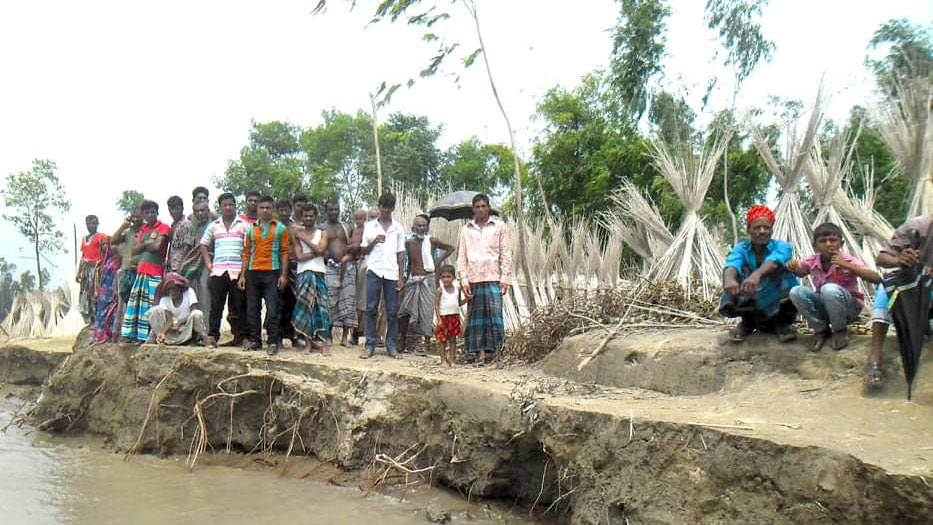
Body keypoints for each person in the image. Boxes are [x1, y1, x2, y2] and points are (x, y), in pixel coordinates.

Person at [787, 222, 881, 351]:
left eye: (833, 240)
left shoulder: (848, 260)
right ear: (815, 246)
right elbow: (800, 272)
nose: (828, 244)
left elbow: (876, 278)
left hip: (849, 309)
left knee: (829, 289)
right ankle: (821, 330)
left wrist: (847, 266)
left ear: (841, 244)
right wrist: (793, 267)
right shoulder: (812, 261)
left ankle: (840, 330)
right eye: (823, 241)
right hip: (826, 307)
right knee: (796, 291)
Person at [863, 214, 933, 385]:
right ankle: (875, 360)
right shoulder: (918, 226)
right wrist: (900, 260)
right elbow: (882, 258)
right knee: (884, 290)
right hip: (915, 286)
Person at [720, 205, 800, 343]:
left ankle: (782, 325)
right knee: (735, 277)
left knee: (786, 276)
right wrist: (729, 280)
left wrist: (757, 275)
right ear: (748, 230)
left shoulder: (783, 246)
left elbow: (774, 260)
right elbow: (732, 263)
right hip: (753, 299)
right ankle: (747, 323)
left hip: (776, 302)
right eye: (757, 227)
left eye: (766, 227)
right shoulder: (741, 247)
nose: (762, 231)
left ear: (771, 230)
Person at [457, 193, 511, 364]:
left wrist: (505, 278)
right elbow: (461, 257)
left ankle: (496, 352)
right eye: (477, 207)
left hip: (494, 277)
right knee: (477, 318)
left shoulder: (499, 226)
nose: (481, 210)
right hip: (474, 278)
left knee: (494, 316)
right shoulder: (466, 229)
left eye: (483, 206)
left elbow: (505, 253)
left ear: (488, 208)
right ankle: (480, 353)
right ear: (473, 209)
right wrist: (464, 280)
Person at [238, 195, 290, 354]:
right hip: (253, 272)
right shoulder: (250, 228)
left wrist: (283, 275)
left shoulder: (281, 228)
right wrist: (242, 275)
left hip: (272, 272)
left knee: (273, 308)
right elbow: (246, 253)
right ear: (258, 209)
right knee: (252, 309)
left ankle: (273, 341)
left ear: (272, 209)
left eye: (268, 207)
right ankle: (255, 340)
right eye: (262, 207)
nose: (265, 210)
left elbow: (285, 252)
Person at [200, 193, 249, 348]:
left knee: (238, 306)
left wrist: (243, 273)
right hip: (218, 271)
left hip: (236, 271)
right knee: (216, 306)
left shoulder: (244, 225)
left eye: (231, 204)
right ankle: (212, 336)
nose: (228, 207)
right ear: (220, 207)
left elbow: (248, 249)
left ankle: (240, 337)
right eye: (225, 205)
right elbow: (204, 245)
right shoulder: (214, 225)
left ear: (235, 206)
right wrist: (209, 264)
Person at [360, 193, 406, 358]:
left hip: (392, 272)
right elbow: (363, 250)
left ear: (393, 208)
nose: (386, 210)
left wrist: (401, 277)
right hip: (374, 270)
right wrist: (374, 241)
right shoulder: (370, 227)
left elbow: (401, 253)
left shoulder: (398, 228)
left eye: (389, 207)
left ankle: (391, 345)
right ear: (379, 206)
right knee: (371, 308)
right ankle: (370, 344)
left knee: (392, 311)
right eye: (383, 206)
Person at [398, 215, 453, 353]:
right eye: (419, 226)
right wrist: (404, 280)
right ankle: (402, 342)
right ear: (413, 228)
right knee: (405, 312)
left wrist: (438, 262)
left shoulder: (432, 240)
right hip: (414, 280)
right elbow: (409, 263)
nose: (421, 228)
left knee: (426, 313)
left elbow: (451, 248)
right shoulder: (409, 243)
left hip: (428, 279)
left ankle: (426, 345)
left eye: (424, 225)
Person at [121, 200, 171, 343]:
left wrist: (145, 244)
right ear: (143, 214)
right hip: (141, 271)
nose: (150, 214)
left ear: (157, 213)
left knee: (152, 305)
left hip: (155, 271)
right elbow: (134, 250)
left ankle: (152, 336)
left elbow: (157, 247)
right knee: (137, 305)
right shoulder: (144, 229)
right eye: (147, 212)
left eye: (152, 212)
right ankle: (136, 336)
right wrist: (148, 242)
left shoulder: (163, 227)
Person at [290, 204, 331, 353]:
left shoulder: (323, 233)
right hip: (303, 274)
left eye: (311, 216)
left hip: (319, 272)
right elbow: (299, 256)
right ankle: (307, 343)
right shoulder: (296, 234)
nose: (308, 218)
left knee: (322, 309)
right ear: (302, 217)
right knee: (306, 309)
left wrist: (305, 239)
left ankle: (324, 343)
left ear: (315, 216)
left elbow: (322, 249)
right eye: (305, 216)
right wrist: (318, 251)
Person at [323, 199, 358, 344]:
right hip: (330, 267)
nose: (333, 212)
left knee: (348, 300)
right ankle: (329, 335)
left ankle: (345, 337)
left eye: (336, 209)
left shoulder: (346, 227)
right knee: (330, 301)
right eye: (330, 209)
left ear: (339, 210)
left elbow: (354, 246)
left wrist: (348, 256)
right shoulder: (322, 228)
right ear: (326, 211)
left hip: (347, 267)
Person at [168, 201, 212, 317]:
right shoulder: (194, 226)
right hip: (191, 266)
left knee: (204, 295)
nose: (200, 213)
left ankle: (205, 329)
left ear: (208, 211)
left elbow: (189, 248)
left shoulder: (212, 225)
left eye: (203, 210)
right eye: (197, 211)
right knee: (192, 295)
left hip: (206, 264)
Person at [148, 272, 207, 346]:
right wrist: (163, 332)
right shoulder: (164, 299)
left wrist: (180, 323)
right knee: (154, 310)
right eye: (170, 290)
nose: (173, 292)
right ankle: (159, 338)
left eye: (175, 289)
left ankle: (204, 339)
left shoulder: (189, 293)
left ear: (181, 289)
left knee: (197, 313)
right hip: (171, 331)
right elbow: (169, 320)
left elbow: (193, 312)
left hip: (186, 329)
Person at [111, 207, 143, 329]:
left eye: (138, 217)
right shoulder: (127, 231)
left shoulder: (145, 231)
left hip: (140, 270)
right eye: (133, 217)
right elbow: (113, 241)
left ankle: (137, 329)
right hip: (127, 268)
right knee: (126, 297)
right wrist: (123, 226)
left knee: (139, 301)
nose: (135, 219)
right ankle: (128, 329)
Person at [275, 198, 298, 346]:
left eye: (286, 210)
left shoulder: (295, 228)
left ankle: (292, 335)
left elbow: (298, 246)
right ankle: (277, 336)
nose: (284, 213)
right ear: (277, 211)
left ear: (291, 211)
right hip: (276, 268)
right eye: (281, 210)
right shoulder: (274, 227)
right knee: (277, 302)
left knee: (292, 302)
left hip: (293, 269)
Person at [435, 265, 467, 366]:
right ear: (440, 278)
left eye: (448, 277)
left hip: (454, 317)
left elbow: (459, 303)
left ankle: (452, 360)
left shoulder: (457, 289)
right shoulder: (440, 290)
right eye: (443, 277)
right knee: (442, 340)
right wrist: (439, 319)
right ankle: (443, 360)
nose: (446, 279)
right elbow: (436, 305)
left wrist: (467, 299)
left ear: (453, 278)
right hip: (444, 318)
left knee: (453, 340)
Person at [77, 215, 106, 323]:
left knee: (96, 292)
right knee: (85, 293)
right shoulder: (84, 239)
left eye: (93, 223)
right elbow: (83, 256)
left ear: (97, 224)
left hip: (96, 269)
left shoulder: (101, 237)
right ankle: (90, 318)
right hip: (86, 269)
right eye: (89, 224)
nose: (91, 226)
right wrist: (79, 271)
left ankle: (97, 317)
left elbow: (105, 253)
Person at [92, 236, 120, 343]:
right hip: (102, 293)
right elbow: (98, 279)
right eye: (103, 245)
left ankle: (109, 336)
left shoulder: (116, 260)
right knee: (100, 314)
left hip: (112, 291)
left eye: (107, 244)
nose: (106, 247)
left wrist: (115, 291)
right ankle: (99, 336)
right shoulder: (102, 261)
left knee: (111, 313)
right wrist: (96, 291)